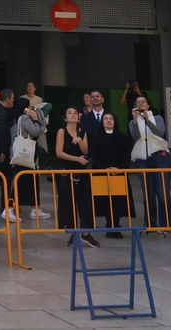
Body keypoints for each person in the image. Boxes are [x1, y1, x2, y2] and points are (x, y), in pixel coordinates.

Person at [55, 106, 98, 248]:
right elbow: (59, 152)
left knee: (85, 201)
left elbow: (85, 150)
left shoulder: (82, 131)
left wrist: (79, 140)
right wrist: (76, 159)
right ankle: (73, 233)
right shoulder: (61, 131)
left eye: (75, 113)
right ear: (65, 117)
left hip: (81, 171)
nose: (73, 115)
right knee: (68, 202)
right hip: (66, 171)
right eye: (69, 113)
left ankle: (86, 233)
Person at [128, 94, 171, 231]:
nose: (141, 104)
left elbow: (160, 133)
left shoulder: (157, 118)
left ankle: (165, 225)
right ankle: (151, 223)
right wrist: (136, 121)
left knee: (162, 192)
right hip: (142, 158)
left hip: (159, 156)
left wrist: (147, 120)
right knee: (148, 192)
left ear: (148, 105)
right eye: (138, 102)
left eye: (143, 101)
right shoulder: (132, 122)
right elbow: (136, 137)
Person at [7, 96, 48, 223]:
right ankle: (9, 209)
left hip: (23, 154)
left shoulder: (15, 118)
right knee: (22, 183)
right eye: (29, 106)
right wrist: (37, 121)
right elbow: (36, 132)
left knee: (31, 182)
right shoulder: (24, 118)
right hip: (27, 154)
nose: (31, 108)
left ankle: (35, 208)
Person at [92, 112, 133, 238]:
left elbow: (127, 154)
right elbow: (94, 155)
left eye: (111, 119)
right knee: (105, 201)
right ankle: (109, 225)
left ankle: (116, 225)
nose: (109, 121)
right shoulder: (96, 137)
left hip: (119, 174)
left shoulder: (122, 136)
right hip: (102, 173)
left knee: (118, 200)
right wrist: (105, 168)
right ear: (102, 121)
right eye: (106, 119)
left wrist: (119, 168)